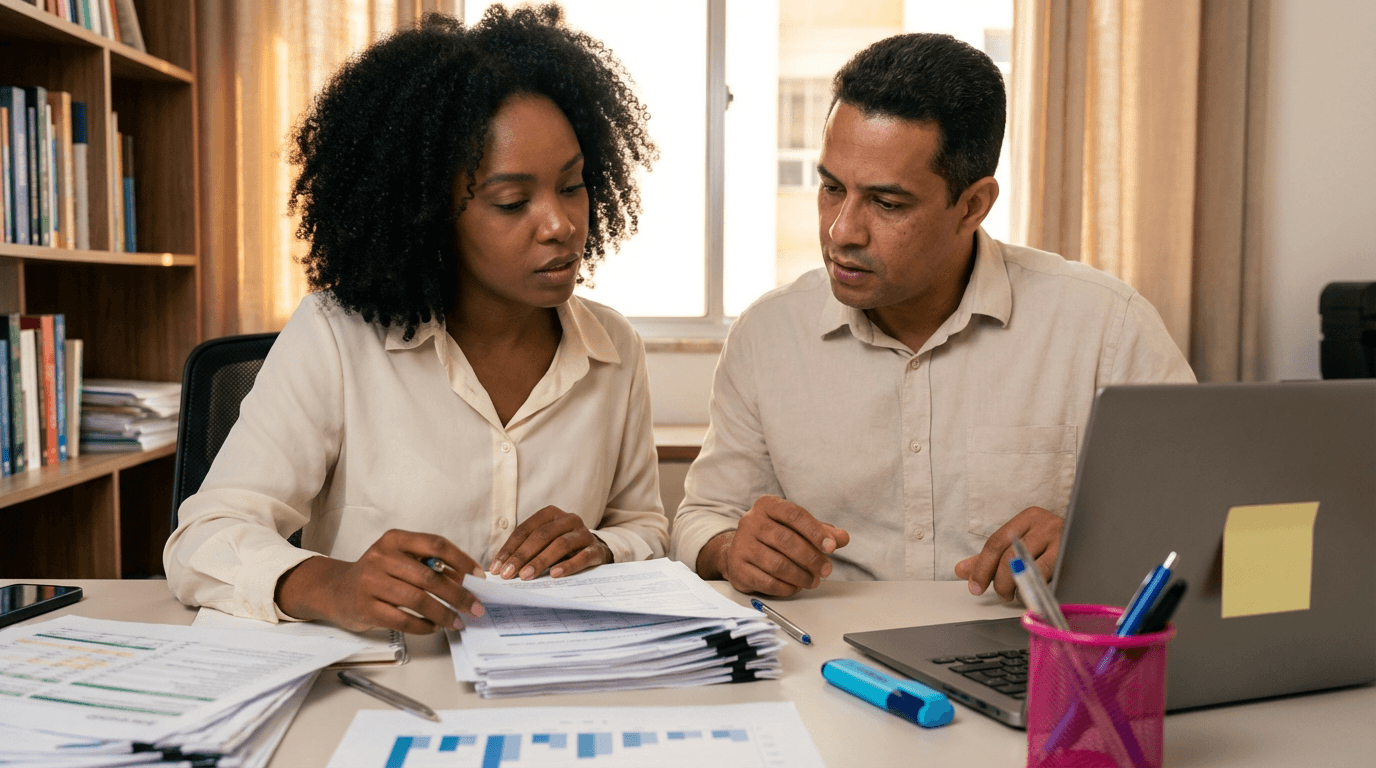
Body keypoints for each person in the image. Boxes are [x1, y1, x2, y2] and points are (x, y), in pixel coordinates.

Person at [164, 5, 664, 635]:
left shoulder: (613, 348)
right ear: (428, 213)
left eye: (572, 185)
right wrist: (330, 583)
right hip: (377, 690)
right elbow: (203, 537)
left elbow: (645, 528)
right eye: (512, 202)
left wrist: (604, 549)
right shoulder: (336, 338)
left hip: (551, 687)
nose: (561, 225)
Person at [671, 33, 1195, 601]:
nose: (841, 230)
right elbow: (702, 517)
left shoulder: (1105, 328)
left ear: (972, 206)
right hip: (825, 665)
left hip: (1024, 661)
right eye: (830, 188)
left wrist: (1092, 543)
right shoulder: (768, 336)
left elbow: (1200, 514)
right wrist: (731, 549)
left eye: (887, 203)